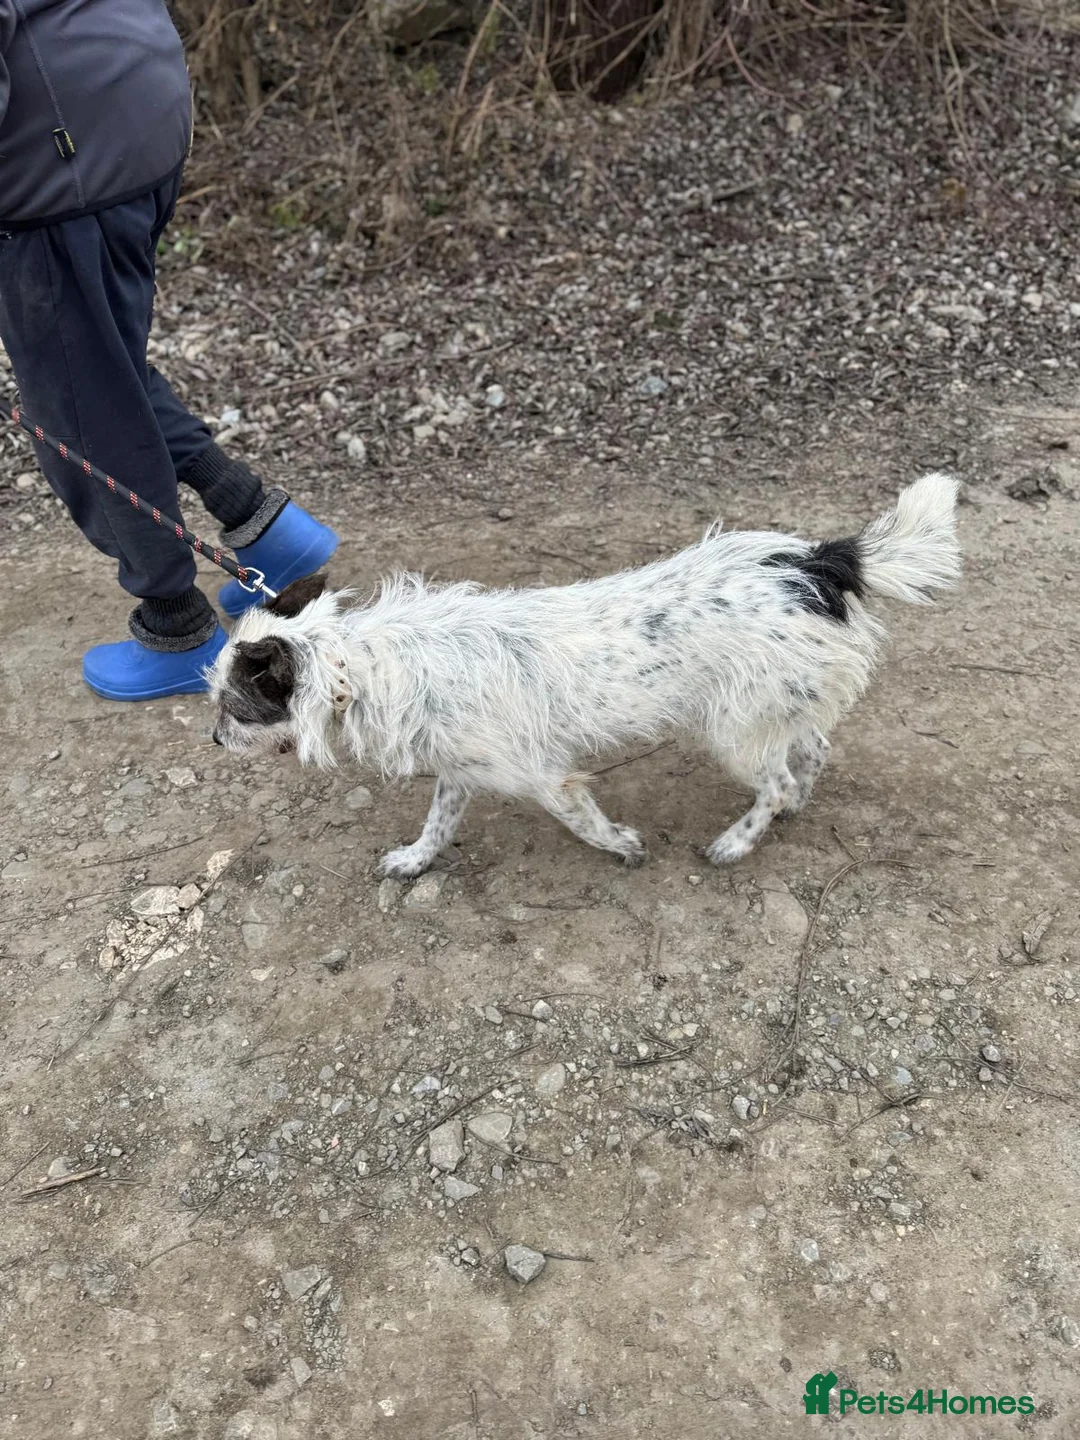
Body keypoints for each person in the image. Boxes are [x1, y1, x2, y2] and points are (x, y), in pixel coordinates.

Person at [0, 0, 337, 701]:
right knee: (97, 364)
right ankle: (264, 526)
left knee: (79, 405)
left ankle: (177, 627)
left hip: (62, 157)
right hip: (135, 105)